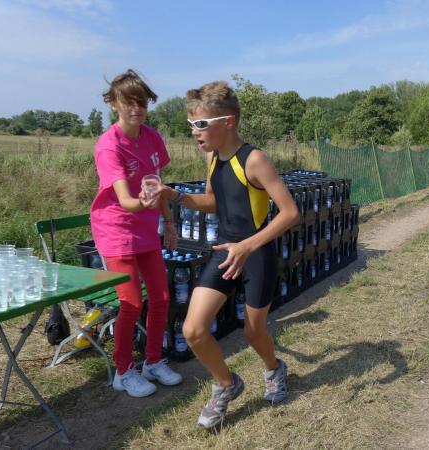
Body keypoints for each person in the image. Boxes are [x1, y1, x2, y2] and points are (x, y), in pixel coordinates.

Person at [156, 81, 300, 429]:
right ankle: (226, 384)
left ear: (228, 122)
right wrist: (176, 196)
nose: (194, 131)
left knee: (254, 333)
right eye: (191, 123)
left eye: (201, 123)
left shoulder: (255, 159)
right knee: (193, 330)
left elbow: (290, 213)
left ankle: (273, 369)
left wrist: (247, 246)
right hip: (223, 250)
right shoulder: (211, 157)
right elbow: (214, 202)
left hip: (256, 254)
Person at [90, 69, 183, 397]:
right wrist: (142, 201)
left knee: (161, 298)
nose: (136, 109)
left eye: (141, 102)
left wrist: (168, 221)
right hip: (116, 230)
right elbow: (126, 200)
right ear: (114, 104)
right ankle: (123, 371)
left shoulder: (152, 137)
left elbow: (157, 185)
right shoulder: (109, 146)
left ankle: (153, 362)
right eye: (128, 102)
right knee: (130, 303)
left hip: (145, 230)